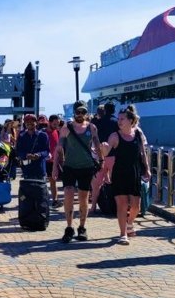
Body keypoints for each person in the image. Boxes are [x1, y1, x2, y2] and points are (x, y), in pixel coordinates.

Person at [53, 100, 103, 242]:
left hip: (86, 167)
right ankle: (69, 227)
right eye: (78, 112)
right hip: (70, 166)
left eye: (83, 112)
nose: (80, 115)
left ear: (86, 113)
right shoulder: (66, 128)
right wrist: (55, 167)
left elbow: (98, 146)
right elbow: (58, 148)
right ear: (74, 112)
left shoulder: (92, 128)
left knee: (83, 198)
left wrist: (102, 162)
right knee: (68, 195)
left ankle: (82, 227)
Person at [104, 107, 150, 245]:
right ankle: (123, 234)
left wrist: (147, 168)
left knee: (136, 206)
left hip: (135, 172)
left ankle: (130, 223)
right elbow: (106, 154)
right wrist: (103, 148)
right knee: (122, 205)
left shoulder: (137, 134)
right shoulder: (114, 136)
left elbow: (142, 153)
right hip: (119, 173)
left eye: (122, 119)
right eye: (118, 119)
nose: (119, 121)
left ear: (131, 120)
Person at [89, 101, 119, 209]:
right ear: (114, 110)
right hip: (113, 156)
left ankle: (93, 207)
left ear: (105, 110)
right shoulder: (116, 122)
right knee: (115, 181)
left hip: (99, 156)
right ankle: (115, 205)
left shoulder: (98, 122)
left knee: (96, 183)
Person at [15, 114, 50, 180]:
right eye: (27, 122)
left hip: (40, 169)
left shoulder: (43, 135)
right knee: (28, 190)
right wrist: (26, 155)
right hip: (27, 170)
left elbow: (47, 151)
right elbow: (18, 151)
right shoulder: (21, 136)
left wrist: (39, 155)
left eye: (32, 121)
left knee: (40, 190)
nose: (29, 123)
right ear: (25, 123)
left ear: (36, 122)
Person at [45, 115, 61, 207]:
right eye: (55, 124)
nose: (56, 125)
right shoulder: (43, 133)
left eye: (58, 124)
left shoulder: (57, 132)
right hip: (45, 161)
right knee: (47, 181)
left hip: (54, 161)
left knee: (53, 181)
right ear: (49, 122)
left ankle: (55, 200)